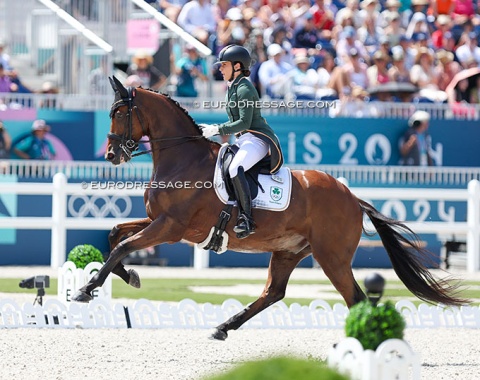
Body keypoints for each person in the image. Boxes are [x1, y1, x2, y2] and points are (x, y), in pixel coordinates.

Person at [199, 45, 284, 239]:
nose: (220, 69)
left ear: (237, 66)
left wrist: (219, 129)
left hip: (258, 139)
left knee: (235, 168)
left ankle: (247, 218)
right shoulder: (233, 87)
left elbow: (244, 122)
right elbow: (235, 123)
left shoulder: (245, 88)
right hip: (245, 138)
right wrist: (215, 128)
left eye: (224, 65)